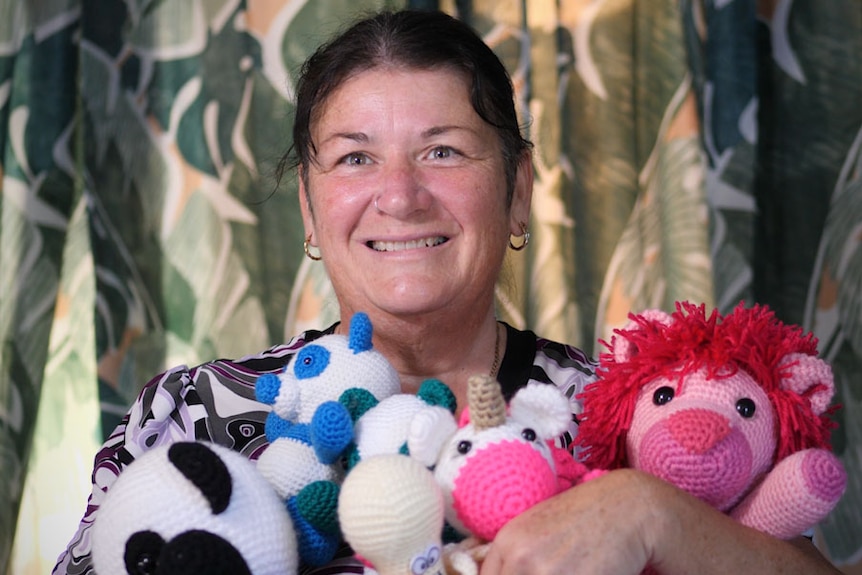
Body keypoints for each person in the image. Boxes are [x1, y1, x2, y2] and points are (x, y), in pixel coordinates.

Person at [54, 9, 841, 575]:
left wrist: (654, 512)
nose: (400, 195)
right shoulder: (193, 413)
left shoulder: (631, 418)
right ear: (309, 206)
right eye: (356, 158)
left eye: (443, 150)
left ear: (518, 188)